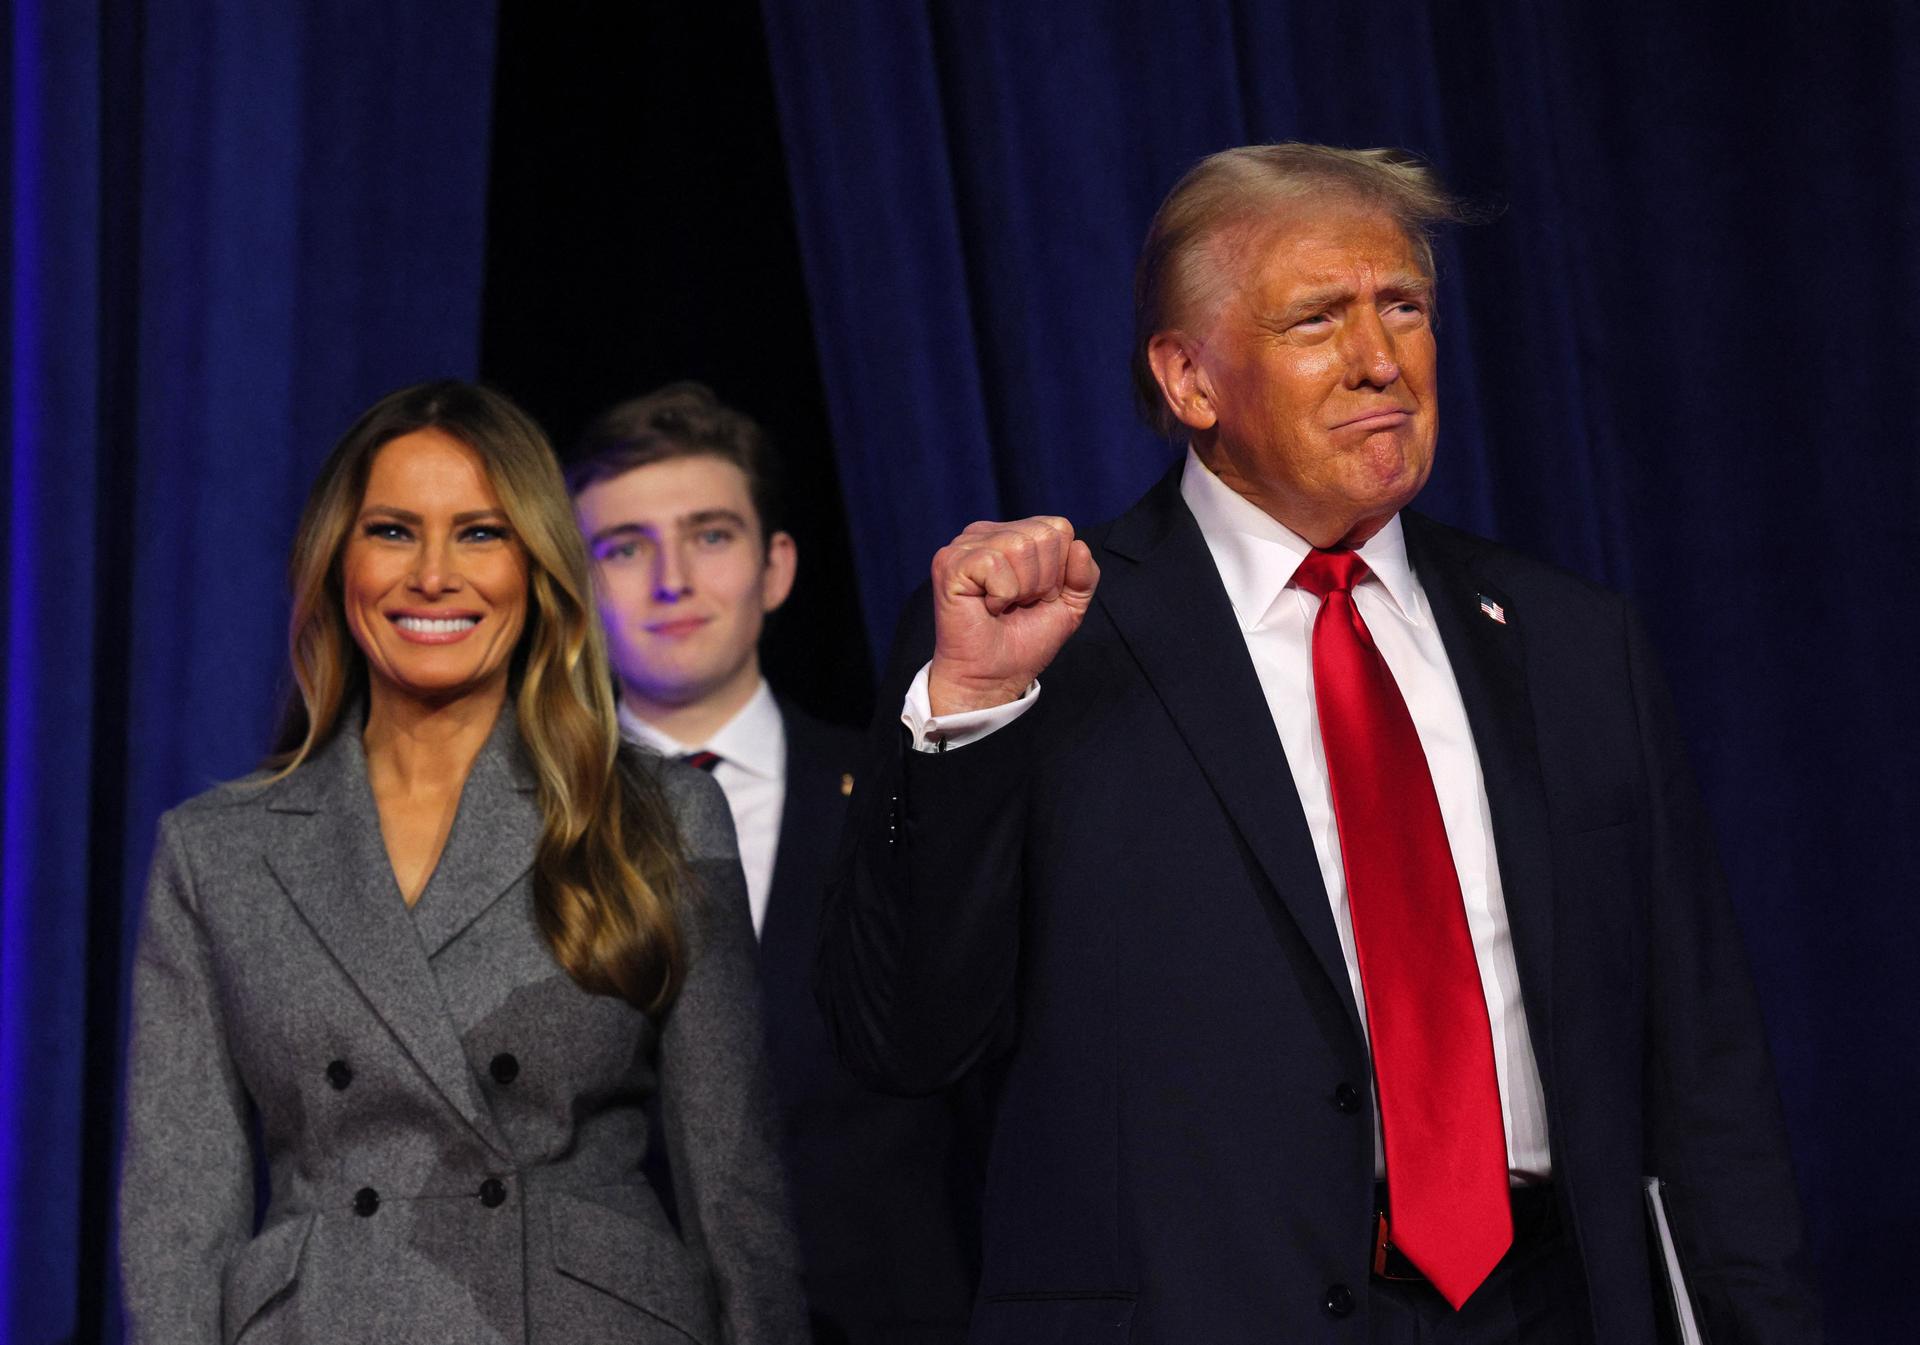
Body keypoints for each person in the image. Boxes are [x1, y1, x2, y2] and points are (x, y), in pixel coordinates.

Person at [817, 144, 1822, 1342]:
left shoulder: (1570, 639)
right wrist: (974, 704)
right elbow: (903, 1034)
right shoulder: (1049, 644)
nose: (1378, 360)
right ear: (1191, 378)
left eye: (1403, 306)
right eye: (1316, 320)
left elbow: (1706, 1073)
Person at [119, 380, 807, 1343]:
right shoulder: (215, 852)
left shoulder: (656, 816)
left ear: (536, 564)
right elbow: (178, 1220)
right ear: (335, 562)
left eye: (480, 533)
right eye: (394, 530)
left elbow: (735, 1186)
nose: (433, 574)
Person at [569, 382, 980, 1344]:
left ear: (776, 565)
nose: (672, 578)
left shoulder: (910, 794)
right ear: (576, 587)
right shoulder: (521, 829)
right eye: (624, 548)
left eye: (710, 535)